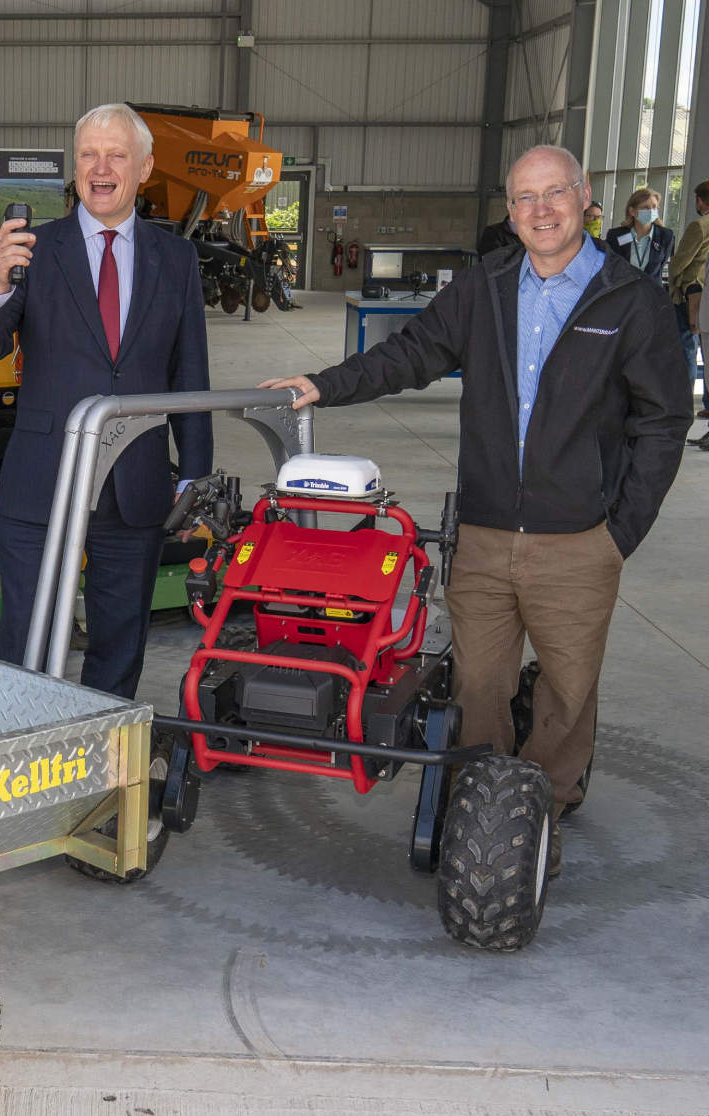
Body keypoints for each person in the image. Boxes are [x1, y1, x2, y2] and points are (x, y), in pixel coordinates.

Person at [259, 145, 690, 875]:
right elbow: (411, 354)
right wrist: (323, 385)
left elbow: (663, 419)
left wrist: (619, 530)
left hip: (579, 538)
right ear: (511, 212)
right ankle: (481, 804)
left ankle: (541, 812)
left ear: (585, 198)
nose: (541, 210)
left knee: (566, 686)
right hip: (488, 530)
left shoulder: (629, 300)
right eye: (525, 198)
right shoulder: (485, 286)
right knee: (478, 682)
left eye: (555, 193)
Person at [0, 103, 211, 699]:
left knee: (120, 646)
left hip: (136, 484)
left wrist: (193, 473)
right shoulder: (33, 251)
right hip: (43, 481)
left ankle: (99, 766)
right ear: (73, 170)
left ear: (144, 167)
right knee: (24, 643)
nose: (101, 169)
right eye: (88, 156)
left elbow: (189, 371)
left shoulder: (175, 259)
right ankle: (20, 765)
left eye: (116, 155)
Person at [666, 179, 709, 402]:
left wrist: (674, 281)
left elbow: (680, 261)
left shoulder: (700, 226)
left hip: (693, 293)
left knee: (687, 349)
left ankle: (682, 400)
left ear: (700, 201)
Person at [605, 187, 674, 282]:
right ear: (632, 211)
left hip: (652, 293)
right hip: (623, 291)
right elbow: (610, 266)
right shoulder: (615, 235)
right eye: (645, 207)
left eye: (654, 207)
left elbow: (660, 267)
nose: (651, 211)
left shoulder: (666, 236)